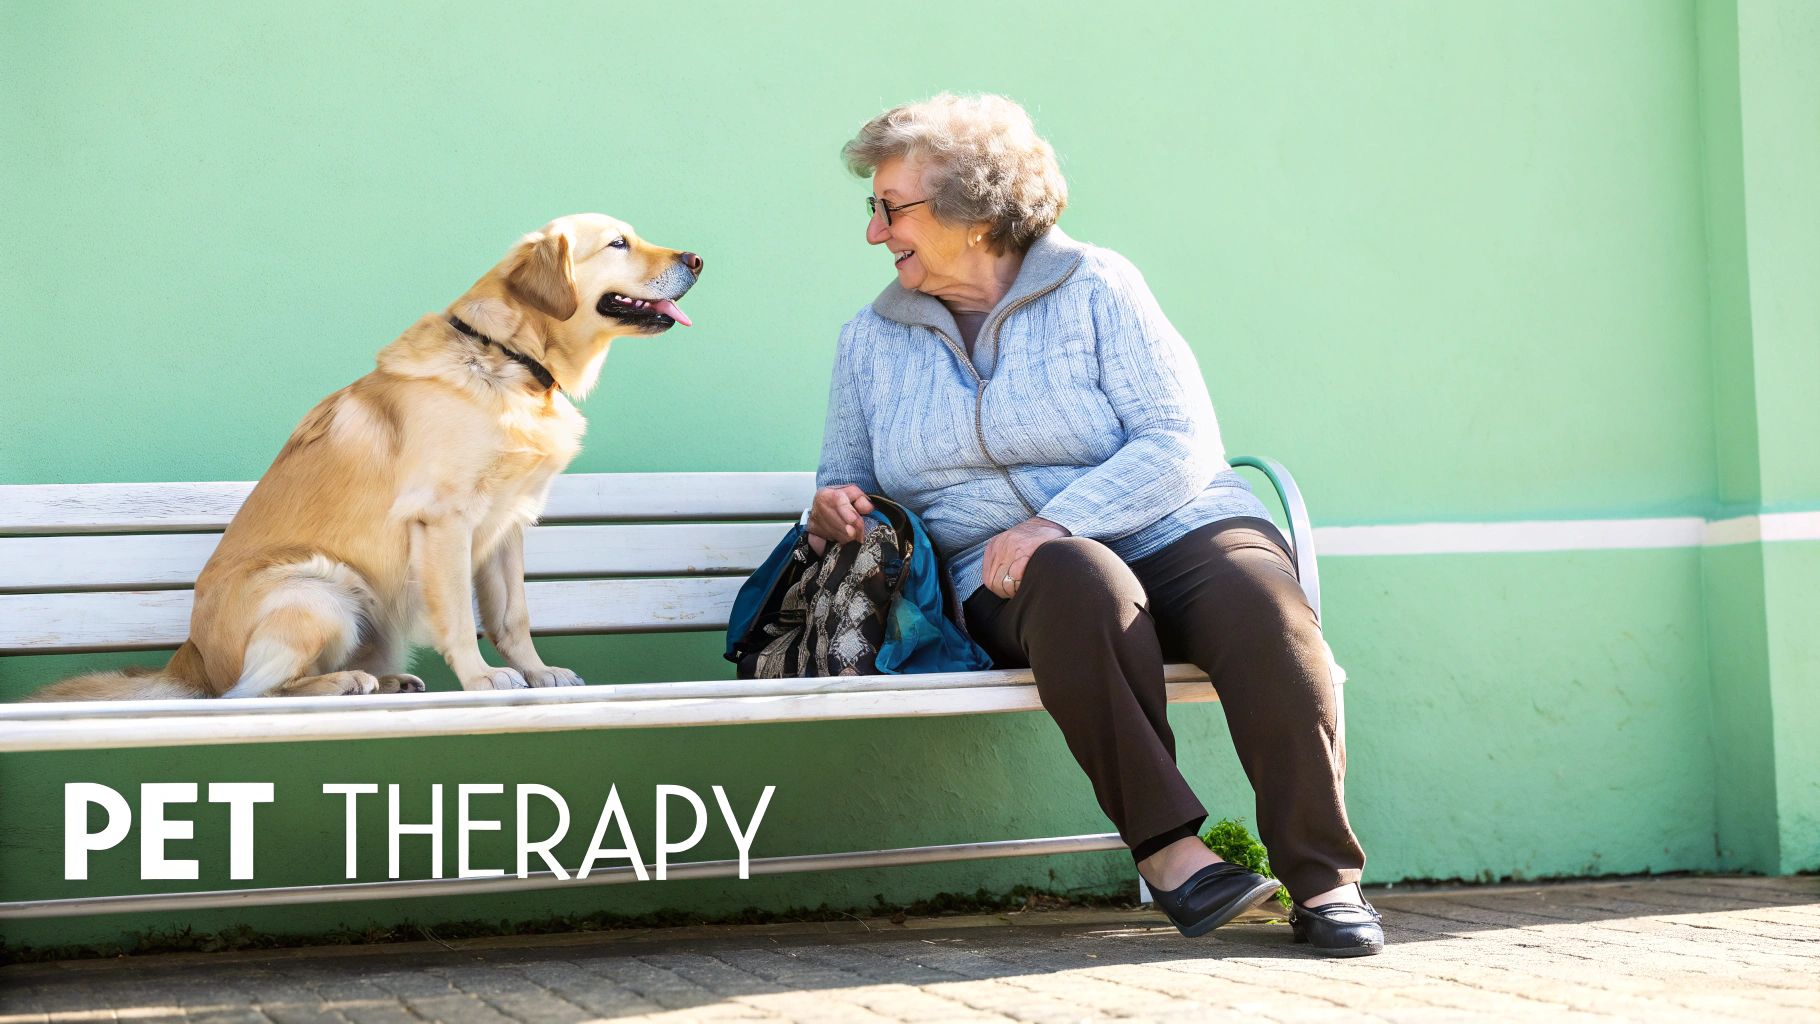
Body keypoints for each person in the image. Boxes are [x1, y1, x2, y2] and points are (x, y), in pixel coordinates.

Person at [808, 93, 1382, 956]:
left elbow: (1181, 440)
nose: (874, 232)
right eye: (874, 208)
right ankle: (1174, 857)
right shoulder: (870, 339)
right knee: (1079, 576)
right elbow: (846, 480)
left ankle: (1325, 881)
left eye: (893, 209)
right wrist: (833, 507)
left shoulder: (1098, 287)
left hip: (1177, 522)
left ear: (973, 209)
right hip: (1006, 575)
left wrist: (1058, 517)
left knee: (1267, 611)